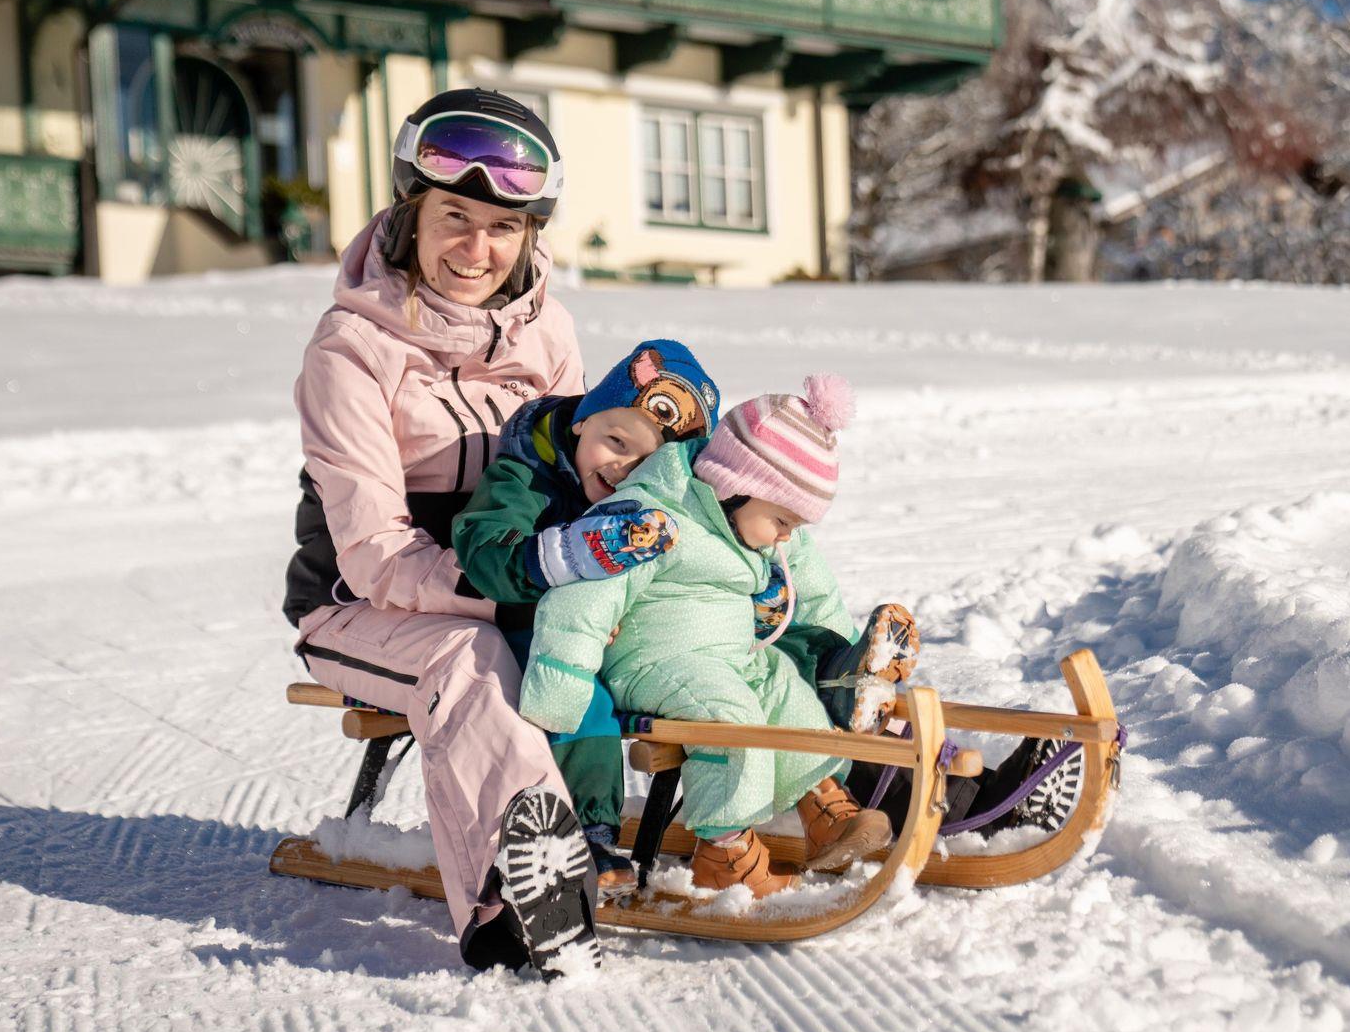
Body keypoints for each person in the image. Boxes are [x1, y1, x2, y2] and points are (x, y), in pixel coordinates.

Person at [283, 88, 600, 978]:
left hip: (510, 586)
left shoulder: (549, 335)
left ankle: (804, 799)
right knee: (470, 663)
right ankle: (516, 898)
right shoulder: (351, 349)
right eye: (455, 217)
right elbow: (374, 550)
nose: (476, 248)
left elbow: (579, 475)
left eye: (502, 227)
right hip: (359, 608)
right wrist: (508, 594)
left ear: (528, 235)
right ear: (411, 215)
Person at [513, 374, 919, 897]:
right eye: (782, 520)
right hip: (652, 664)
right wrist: (561, 681)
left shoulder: (752, 529)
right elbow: (582, 599)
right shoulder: (651, 516)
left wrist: (842, 650)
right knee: (732, 719)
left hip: (729, 658)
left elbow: (816, 593)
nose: (786, 535)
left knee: (785, 687)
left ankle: (825, 808)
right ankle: (725, 854)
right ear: (735, 485)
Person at [451, 338, 722, 889]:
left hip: (628, 641)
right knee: (579, 695)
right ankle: (587, 832)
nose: (622, 468)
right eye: (616, 441)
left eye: (647, 463)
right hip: (532, 626)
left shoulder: (659, 504)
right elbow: (486, 554)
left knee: (719, 675)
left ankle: (758, 812)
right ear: (582, 420)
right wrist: (566, 564)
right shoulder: (526, 476)